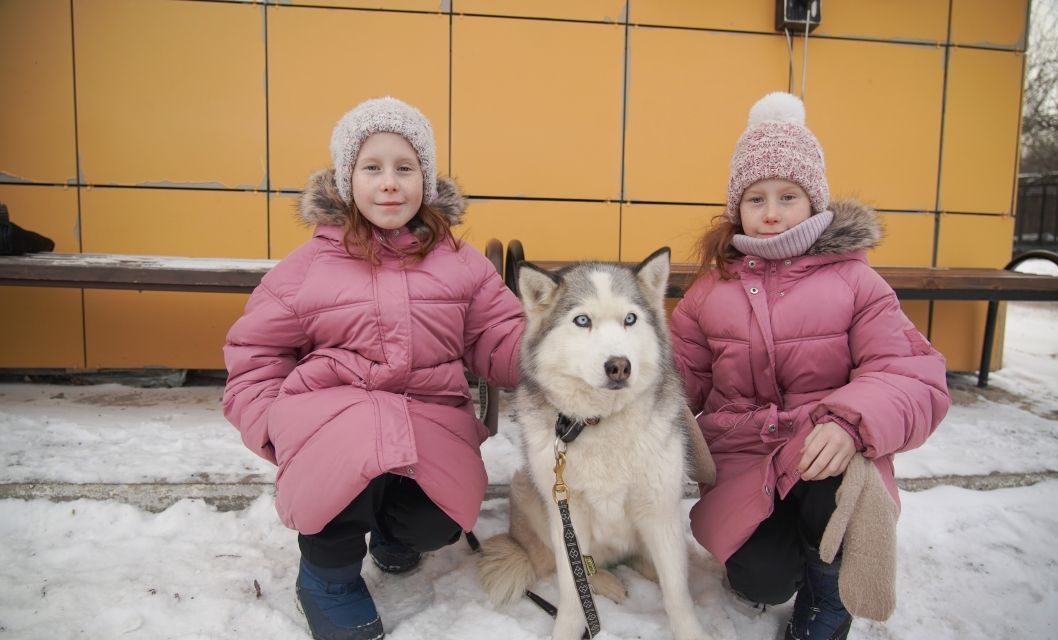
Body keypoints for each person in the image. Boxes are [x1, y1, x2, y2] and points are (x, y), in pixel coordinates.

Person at [222, 97, 524, 640]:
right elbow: (255, 357)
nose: (390, 183)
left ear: (426, 181)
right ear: (346, 180)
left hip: (429, 418)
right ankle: (328, 577)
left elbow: (496, 336)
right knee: (340, 481)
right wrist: (271, 423)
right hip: (332, 419)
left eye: (405, 168)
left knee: (436, 522)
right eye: (372, 167)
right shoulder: (307, 268)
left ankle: (394, 532)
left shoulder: (461, 262)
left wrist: (550, 358)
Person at [669, 92, 951, 640]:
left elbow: (912, 374)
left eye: (788, 195)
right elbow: (681, 375)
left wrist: (851, 421)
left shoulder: (856, 282)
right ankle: (783, 558)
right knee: (761, 583)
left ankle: (830, 593)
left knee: (835, 486)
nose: (770, 213)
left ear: (814, 201)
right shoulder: (709, 290)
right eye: (755, 198)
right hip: (746, 461)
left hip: (825, 451)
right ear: (736, 207)